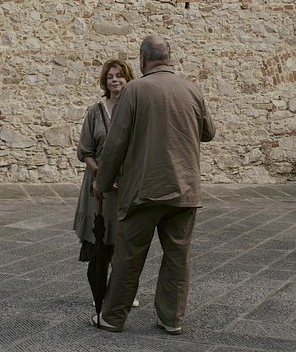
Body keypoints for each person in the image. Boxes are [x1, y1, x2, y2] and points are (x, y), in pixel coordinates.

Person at [90, 35, 215, 335]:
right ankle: (172, 319)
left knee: (128, 257)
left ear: (143, 60)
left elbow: (115, 143)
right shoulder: (192, 89)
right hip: (184, 189)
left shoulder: (134, 90)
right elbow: (208, 133)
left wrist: (102, 182)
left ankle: (112, 318)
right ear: (169, 58)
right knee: (177, 258)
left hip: (143, 189)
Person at [73, 59, 136, 262]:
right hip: (97, 184)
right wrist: (101, 175)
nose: (114, 80)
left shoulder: (135, 110)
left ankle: (119, 282)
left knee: (123, 242)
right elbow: (85, 151)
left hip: (125, 185)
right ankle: (100, 279)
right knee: (99, 241)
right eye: (110, 77)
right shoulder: (95, 112)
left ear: (128, 80)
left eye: (119, 76)